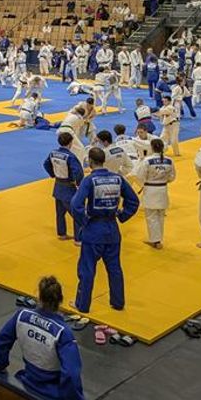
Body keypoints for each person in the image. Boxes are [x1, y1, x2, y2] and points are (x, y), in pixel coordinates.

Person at [0, 276, 85, 400]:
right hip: (52, 395)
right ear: (60, 300)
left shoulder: (21, 316)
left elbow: (0, 342)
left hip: (25, 383)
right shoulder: (63, 333)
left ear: (39, 297)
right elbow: (70, 374)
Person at [71, 148, 140, 313]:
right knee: (114, 268)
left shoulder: (89, 181)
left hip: (93, 229)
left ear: (90, 161)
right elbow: (133, 201)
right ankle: (118, 302)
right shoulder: (118, 179)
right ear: (104, 161)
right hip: (112, 229)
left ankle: (83, 304)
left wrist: (84, 221)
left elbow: (75, 204)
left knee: (87, 269)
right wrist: (122, 215)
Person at [132, 138, 176, 249]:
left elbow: (140, 176)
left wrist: (145, 183)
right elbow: (172, 177)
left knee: (151, 217)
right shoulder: (169, 160)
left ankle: (155, 240)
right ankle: (158, 239)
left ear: (151, 148)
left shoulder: (147, 161)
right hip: (162, 189)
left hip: (151, 189)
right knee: (160, 216)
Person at [43, 132, 85, 242]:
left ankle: (61, 234)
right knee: (77, 213)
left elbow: (46, 164)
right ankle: (78, 239)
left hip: (58, 185)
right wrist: (79, 184)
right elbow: (78, 172)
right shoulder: (70, 156)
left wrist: (52, 174)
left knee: (60, 213)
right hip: (68, 187)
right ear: (71, 142)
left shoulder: (53, 153)